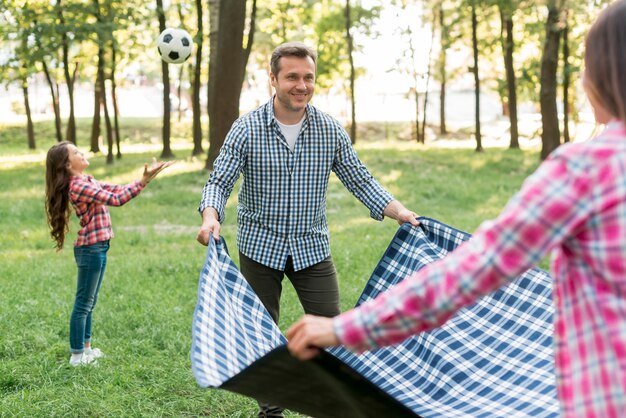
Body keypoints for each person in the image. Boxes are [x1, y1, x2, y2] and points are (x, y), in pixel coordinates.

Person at [287, 2, 626, 417]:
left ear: (599, 75)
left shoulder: (586, 170)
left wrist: (345, 328)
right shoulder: (253, 128)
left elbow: (475, 269)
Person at [196, 42, 419, 417]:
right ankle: (272, 410)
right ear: (273, 79)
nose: (301, 85)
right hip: (260, 247)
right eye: (292, 77)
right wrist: (210, 215)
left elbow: (360, 179)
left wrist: (399, 212)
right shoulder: (247, 128)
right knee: (263, 334)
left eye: (308, 77)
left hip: (311, 248)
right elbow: (219, 180)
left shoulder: (328, 129)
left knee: (333, 330)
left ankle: (336, 405)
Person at [45, 142, 172, 367]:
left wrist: (145, 179)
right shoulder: (77, 186)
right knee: (83, 303)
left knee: (90, 302)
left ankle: (86, 349)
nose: (81, 152)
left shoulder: (87, 181)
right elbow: (117, 200)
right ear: (67, 164)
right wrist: (143, 182)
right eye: (75, 152)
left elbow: (116, 189)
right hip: (90, 249)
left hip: (99, 246)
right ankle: (76, 356)